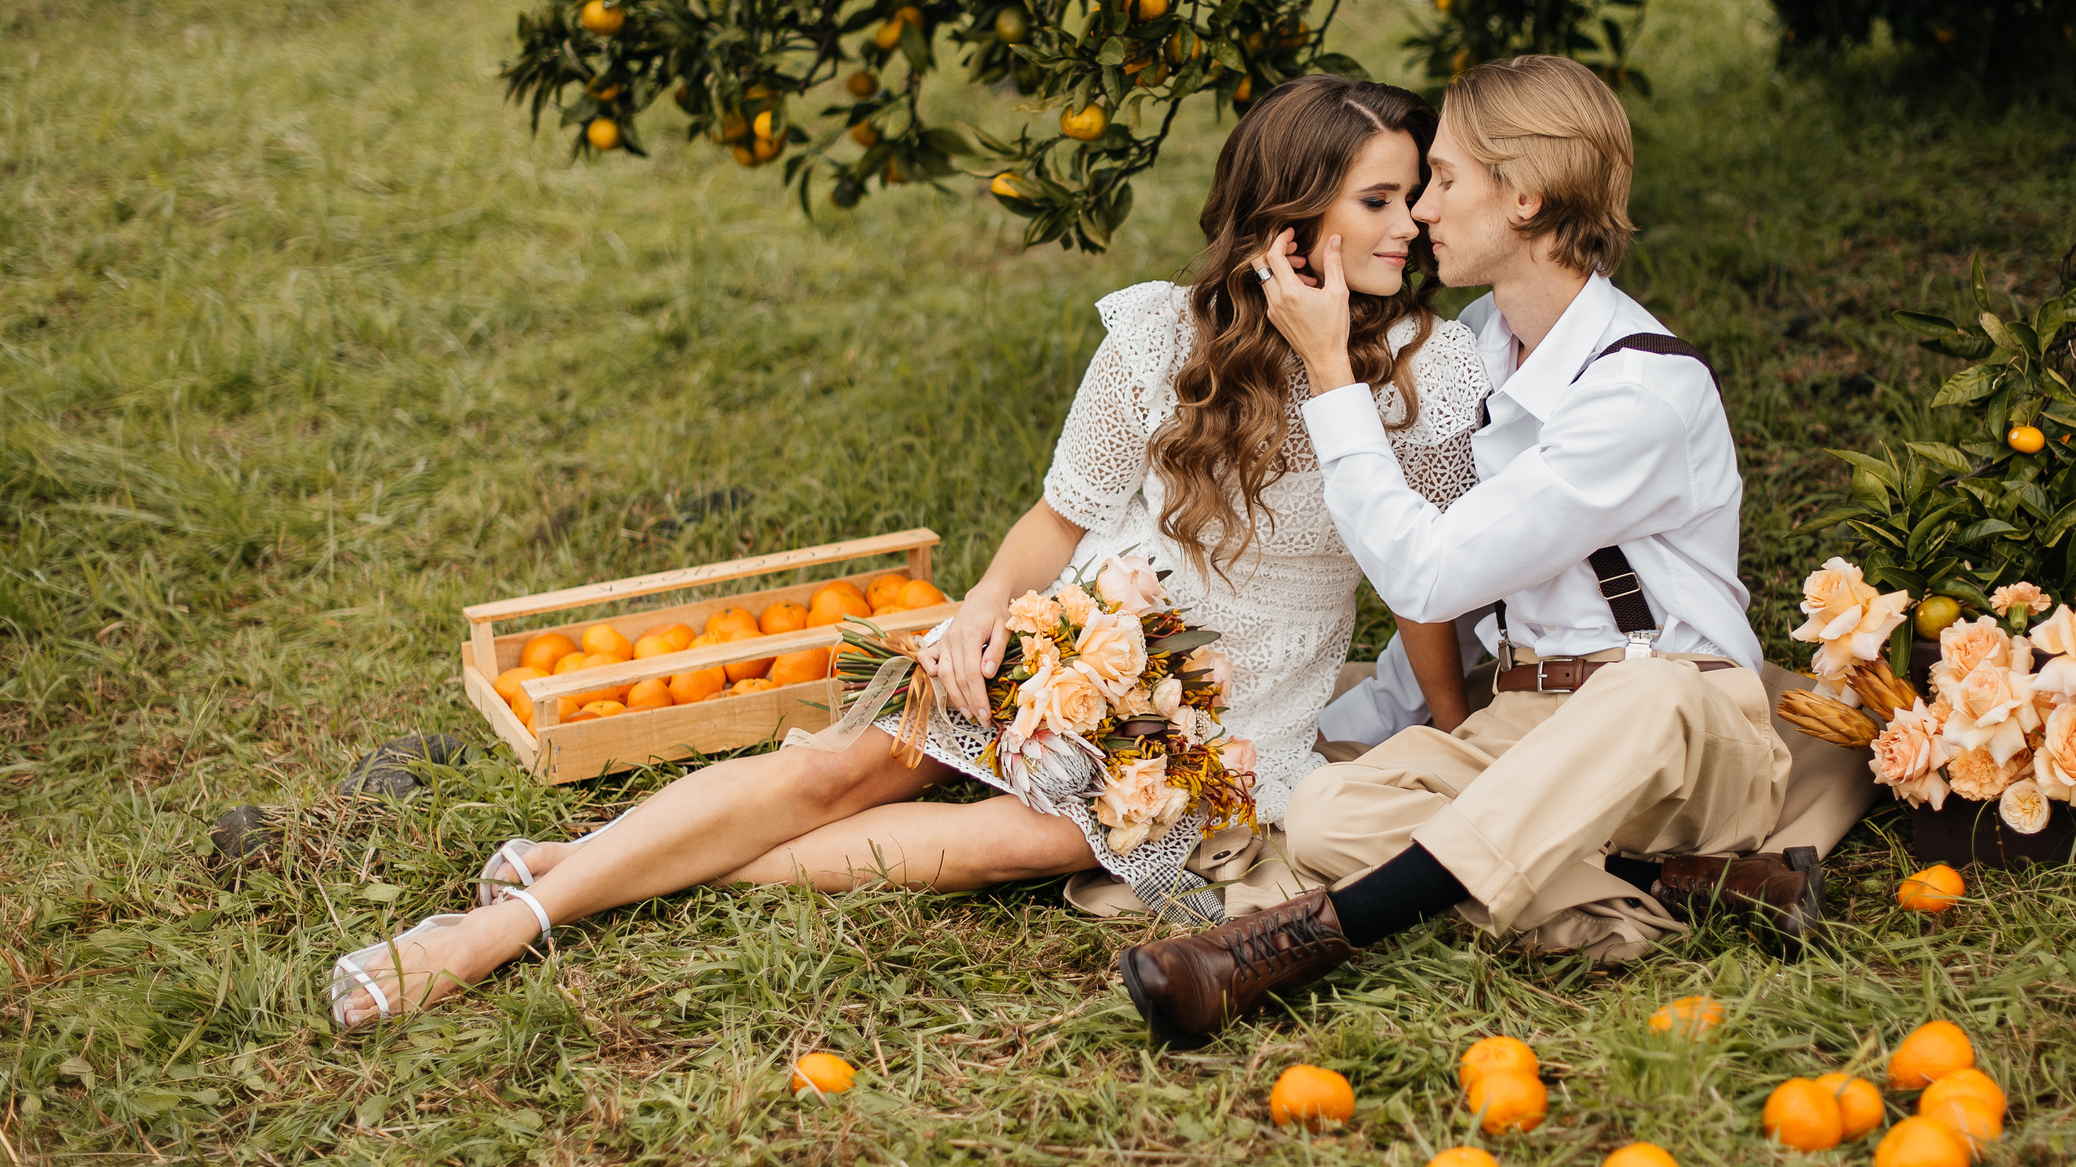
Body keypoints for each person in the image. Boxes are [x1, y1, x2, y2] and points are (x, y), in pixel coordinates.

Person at [328, 75, 1490, 1027]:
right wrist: (984, 600)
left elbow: (1421, 576)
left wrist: (1444, 715)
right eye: (1381, 201)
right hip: (1096, 624)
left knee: (1023, 835)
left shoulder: (1435, 374)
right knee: (839, 769)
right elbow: (1060, 516)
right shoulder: (1155, 332)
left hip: (1242, 704)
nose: (1411, 225)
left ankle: (600, 865)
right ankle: (496, 930)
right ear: (1294, 218)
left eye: (1412, 197)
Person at [1119, 54, 1864, 1049]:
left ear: (1522, 197)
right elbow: (1451, 593)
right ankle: (1681, 884)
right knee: (1327, 812)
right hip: (1527, 718)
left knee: (1642, 689)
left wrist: (1332, 373)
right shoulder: (1479, 343)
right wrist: (1368, 715)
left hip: (1684, 729)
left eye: (1443, 178)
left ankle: (1302, 940)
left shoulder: (1638, 390)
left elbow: (1428, 571)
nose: (1420, 208)